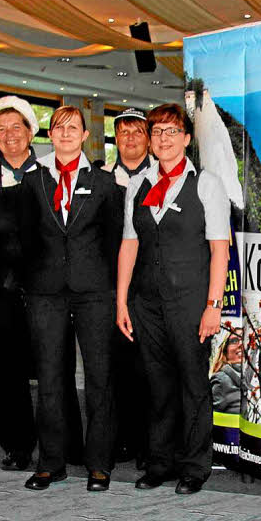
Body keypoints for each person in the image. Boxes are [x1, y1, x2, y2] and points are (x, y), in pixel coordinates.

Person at [117, 103, 230, 495]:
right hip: (146, 303)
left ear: (186, 139)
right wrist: (121, 303)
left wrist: (213, 306)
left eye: (171, 131)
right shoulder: (138, 185)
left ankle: (195, 466)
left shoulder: (206, 185)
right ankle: (159, 461)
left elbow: (220, 251)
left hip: (190, 302)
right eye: (157, 132)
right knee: (157, 384)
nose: (164, 139)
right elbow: (129, 247)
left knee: (193, 385)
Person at [0, 96, 83, 472]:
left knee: (58, 366)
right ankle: (17, 447)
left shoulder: (54, 173)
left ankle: (66, 444)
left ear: (31, 131)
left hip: (49, 286)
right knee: (9, 374)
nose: (9, 135)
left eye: (16, 127)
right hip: (0, 289)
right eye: (0, 130)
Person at [18, 105, 122, 492]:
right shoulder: (33, 181)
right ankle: (51, 463)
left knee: (99, 379)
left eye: (72, 128)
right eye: (58, 128)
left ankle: (99, 464)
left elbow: (113, 242)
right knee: (49, 379)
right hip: (45, 294)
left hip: (95, 293)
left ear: (84, 136)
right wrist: (29, 284)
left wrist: (111, 290)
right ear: (50, 135)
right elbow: (24, 238)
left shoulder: (106, 183)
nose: (65, 134)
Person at [102, 108, 152, 465]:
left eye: (137, 132)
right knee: (115, 366)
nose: (130, 139)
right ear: (115, 139)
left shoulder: (163, 178)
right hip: (110, 287)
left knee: (151, 366)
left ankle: (151, 442)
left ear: (148, 139)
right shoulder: (102, 179)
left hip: (151, 286)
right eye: (123, 133)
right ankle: (120, 438)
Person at [210, 332, 243, 415]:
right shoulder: (221, 380)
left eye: (246, 339)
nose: (241, 344)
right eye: (234, 341)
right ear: (225, 352)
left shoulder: (256, 380)